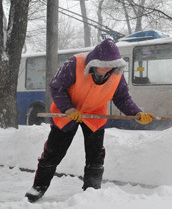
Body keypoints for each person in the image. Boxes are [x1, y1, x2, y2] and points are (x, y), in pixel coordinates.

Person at [25, 39, 154, 202]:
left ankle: (91, 190)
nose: (107, 67)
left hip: (95, 114)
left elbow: (122, 97)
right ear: (93, 62)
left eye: (111, 64)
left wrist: (136, 113)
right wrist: (68, 109)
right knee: (53, 152)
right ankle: (38, 187)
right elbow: (56, 87)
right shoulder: (75, 63)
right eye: (103, 64)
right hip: (67, 113)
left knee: (95, 155)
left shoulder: (116, 75)